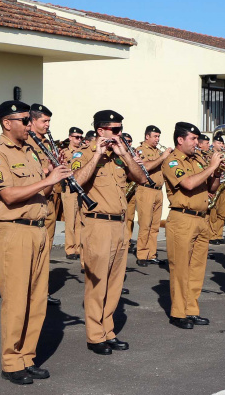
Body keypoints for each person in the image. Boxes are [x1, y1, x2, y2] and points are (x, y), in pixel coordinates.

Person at [0, 101, 71, 384]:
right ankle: (11, 362)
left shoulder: (30, 151)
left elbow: (42, 188)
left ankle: (27, 356)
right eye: (24, 120)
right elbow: (8, 195)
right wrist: (48, 181)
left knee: (36, 299)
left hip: (38, 230)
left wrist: (53, 175)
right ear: (7, 123)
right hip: (14, 232)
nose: (30, 125)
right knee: (17, 300)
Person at [71, 110, 148, 354]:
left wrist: (124, 153)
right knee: (97, 283)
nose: (119, 134)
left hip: (120, 224)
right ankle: (95, 336)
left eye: (120, 130)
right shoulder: (82, 154)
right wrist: (97, 155)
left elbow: (141, 178)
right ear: (101, 130)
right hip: (97, 224)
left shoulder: (119, 156)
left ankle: (108, 331)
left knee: (114, 284)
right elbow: (76, 182)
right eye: (115, 130)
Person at [161, 122, 223, 329]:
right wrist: (212, 167)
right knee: (180, 268)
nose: (198, 143)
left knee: (197, 269)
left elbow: (211, 188)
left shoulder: (197, 159)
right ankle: (178, 312)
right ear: (180, 140)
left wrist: (217, 173)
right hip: (182, 218)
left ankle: (191, 310)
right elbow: (188, 184)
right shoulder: (171, 161)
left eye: (198, 139)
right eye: (193, 139)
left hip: (201, 218)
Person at [25, 104, 63, 307]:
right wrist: (48, 171)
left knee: (45, 249)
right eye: (44, 121)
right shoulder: (27, 144)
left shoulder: (46, 143)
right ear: (32, 122)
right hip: (34, 200)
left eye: (49, 121)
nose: (48, 125)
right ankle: (30, 292)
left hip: (49, 200)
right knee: (32, 252)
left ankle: (41, 291)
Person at [135, 125, 172, 266]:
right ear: (147, 136)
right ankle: (142, 254)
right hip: (146, 190)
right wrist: (163, 157)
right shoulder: (140, 150)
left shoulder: (158, 151)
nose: (158, 139)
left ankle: (151, 253)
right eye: (155, 136)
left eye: (158, 137)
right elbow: (146, 167)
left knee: (155, 225)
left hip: (158, 190)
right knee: (145, 224)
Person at [61, 126, 84, 260]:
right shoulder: (64, 152)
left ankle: (79, 247)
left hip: (80, 188)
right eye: (76, 137)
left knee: (80, 220)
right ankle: (70, 249)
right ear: (70, 137)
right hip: (69, 188)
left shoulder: (83, 152)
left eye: (81, 137)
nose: (79, 140)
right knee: (70, 221)